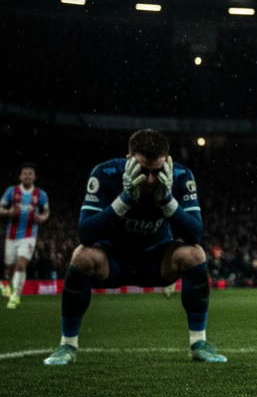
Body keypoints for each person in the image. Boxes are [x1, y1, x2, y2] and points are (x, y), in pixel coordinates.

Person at [42, 129, 225, 365]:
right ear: (129, 161)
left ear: (167, 163)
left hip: (156, 262)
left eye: (156, 172)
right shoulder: (105, 173)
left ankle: (199, 343)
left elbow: (195, 234)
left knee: (194, 254)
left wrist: (167, 201)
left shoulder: (181, 175)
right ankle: (67, 345)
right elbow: (85, 234)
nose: (149, 179)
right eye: (142, 170)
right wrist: (126, 199)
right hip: (113, 261)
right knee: (81, 256)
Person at [1, 164, 50, 309]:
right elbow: (1, 208)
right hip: (11, 235)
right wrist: (7, 212)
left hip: (29, 235)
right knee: (10, 268)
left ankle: (16, 296)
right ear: (20, 177)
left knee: (21, 264)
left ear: (34, 177)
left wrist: (43, 217)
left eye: (30, 174)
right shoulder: (12, 191)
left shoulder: (40, 194)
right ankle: (10, 289)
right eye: (25, 174)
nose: (28, 176)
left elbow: (47, 211)